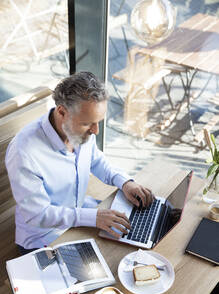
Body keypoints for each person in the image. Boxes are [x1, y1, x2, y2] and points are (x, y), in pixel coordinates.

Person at [5, 71, 154, 255]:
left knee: (135, 238)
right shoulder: (24, 152)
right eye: (88, 124)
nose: (96, 131)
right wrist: (93, 218)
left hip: (81, 212)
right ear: (62, 112)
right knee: (111, 261)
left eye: (98, 122)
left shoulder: (79, 129)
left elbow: (96, 160)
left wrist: (124, 182)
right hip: (44, 236)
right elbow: (38, 215)